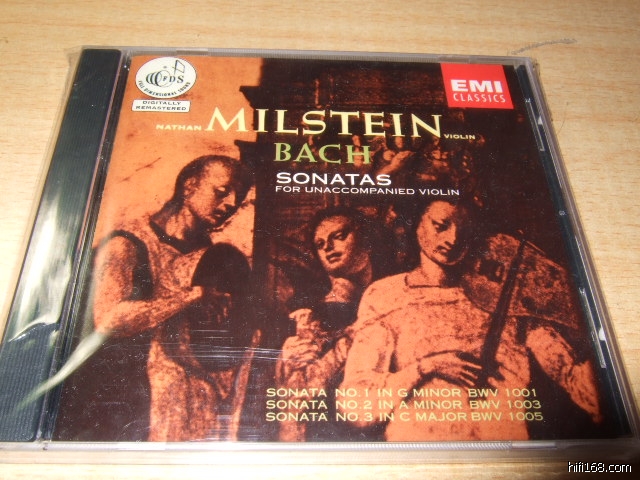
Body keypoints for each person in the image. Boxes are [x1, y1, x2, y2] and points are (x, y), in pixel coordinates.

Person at [338, 198, 603, 441]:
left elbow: (584, 388)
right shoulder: (386, 295)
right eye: (440, 225)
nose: (453, 239)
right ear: (416, 224)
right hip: (419, 447)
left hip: (502, 450)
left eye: (464, 230)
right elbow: (356, 405)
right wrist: (427, 367)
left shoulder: (510, 295)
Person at [86, 154, 255, 441]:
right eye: (222, 191)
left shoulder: (208, 255)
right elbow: (108, 320)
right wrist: (192, 296)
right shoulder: (126, 244)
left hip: (186, 401)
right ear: (189, 186)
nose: (230, 204)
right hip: (130, 400)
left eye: (237, 200)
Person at [276, 206, 387, 441]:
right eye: (319, 244)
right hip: (329, 431)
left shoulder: (392, 299)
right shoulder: (308, 317)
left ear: (367, 241)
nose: (327, 247)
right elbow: (298, 400)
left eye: (338, 236)